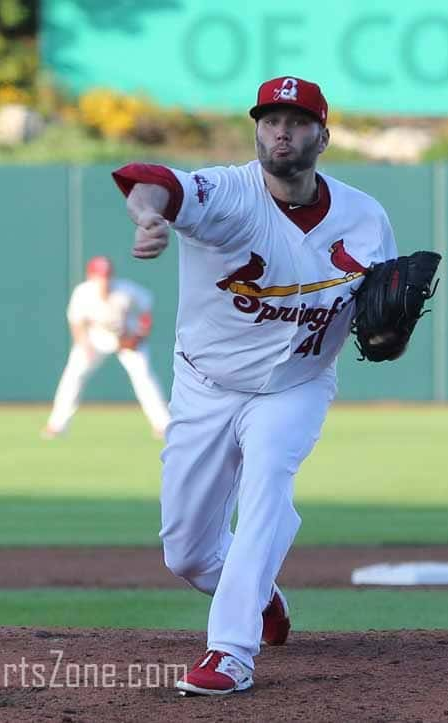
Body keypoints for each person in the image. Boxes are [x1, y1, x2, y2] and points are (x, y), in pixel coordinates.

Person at [111, 76, 398, 696]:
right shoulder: (228, 194)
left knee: (268, 482)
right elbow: (151, 180)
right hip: (207, 384)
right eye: (270, 120)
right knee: (186, 553)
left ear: (323, 134)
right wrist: (147, 221)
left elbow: (380, 312)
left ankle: (230, 654)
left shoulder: (366, 217)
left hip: (296, 384)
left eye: (296, 120)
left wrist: (384, 333)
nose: (282, 131)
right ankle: (261, 592)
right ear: (257, 130)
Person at [42, 256, 170, 440]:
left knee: (143, 377)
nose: (104, 279)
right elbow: (76, 322)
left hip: (127, 337)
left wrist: (140, 335)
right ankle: (57, 426)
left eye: (107, 275)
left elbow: (146, 309)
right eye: (99, 275)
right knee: (73, 375)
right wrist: (83, 344)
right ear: (90, 276)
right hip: (96, 338)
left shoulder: (126, 290)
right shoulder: (83, 293)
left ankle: (163, 425)